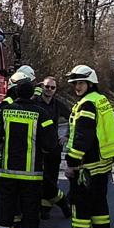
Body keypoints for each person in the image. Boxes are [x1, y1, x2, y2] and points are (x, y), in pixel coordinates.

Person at [0, 78, 57, 228]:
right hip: (31, 173)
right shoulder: (41, 114)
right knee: (31, 207)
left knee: (6, 206)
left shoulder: (4, 112)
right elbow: (51, 144)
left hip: (7, 171)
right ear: (33, 95)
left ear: (16, 93)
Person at [63, 64, 114, 228]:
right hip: (102, 164)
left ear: (90, 83)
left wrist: (71, 162)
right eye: (75, 83)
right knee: (99, 206)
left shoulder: (87, 104)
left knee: (80, 208)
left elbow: (83, 137)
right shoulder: (101, 100)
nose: (77, 87)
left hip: (85, 166)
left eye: (81, 83)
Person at [35, 76, 71, 220]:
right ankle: (61, 201)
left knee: (52, 177)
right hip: (37, 146)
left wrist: (67, 136)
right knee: (42, 178)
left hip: (54, 147)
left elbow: (72, 118)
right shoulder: (34, 102)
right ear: (42, 87)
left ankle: (45, 207)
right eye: (47, 86)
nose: (49, 89)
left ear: (55, 90)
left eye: (52, 87)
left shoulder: (58, 104)